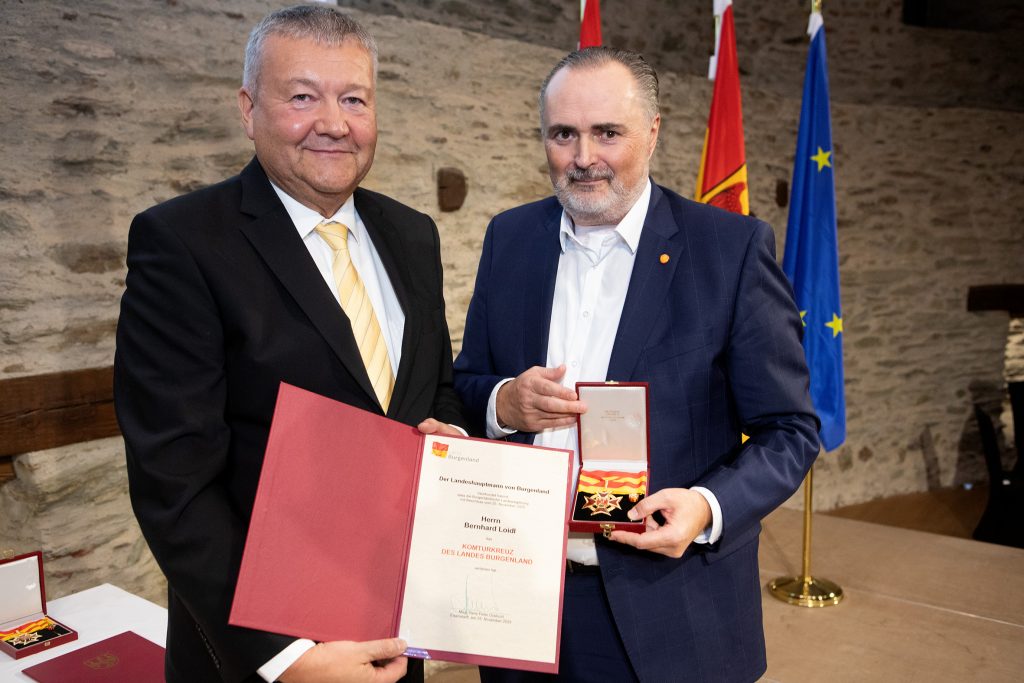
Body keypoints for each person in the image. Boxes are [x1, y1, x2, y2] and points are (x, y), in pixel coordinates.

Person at [114, 5, 464, 682]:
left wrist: (446, 436)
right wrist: (285, 654)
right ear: (249, 109)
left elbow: (433, 386)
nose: (333, 122)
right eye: (302, 96)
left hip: (394, 630)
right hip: (260, 651)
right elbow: (173, 483)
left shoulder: (413, 235)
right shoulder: (183, 243)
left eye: (354, 99)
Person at [453, 47, 821, 683]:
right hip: (518, 596)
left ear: (652, 132)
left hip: (672, 608)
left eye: (607, 133)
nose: (583, 157)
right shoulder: (509, 238)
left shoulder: (729, 250)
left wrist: (707, 506)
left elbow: (790, 430)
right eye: (563, 134)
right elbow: (465, 384)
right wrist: (503, 401)